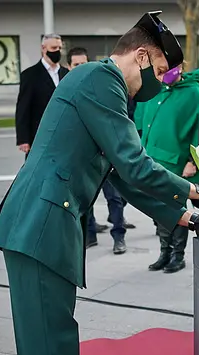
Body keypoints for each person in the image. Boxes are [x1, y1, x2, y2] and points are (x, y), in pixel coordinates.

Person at [0, 12, 199, 355]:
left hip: (41, 226)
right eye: (160, 71)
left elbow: (120, 175)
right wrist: (196, 190)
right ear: (142, 56)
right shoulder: (101, 79)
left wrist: (186, 217)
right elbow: (134, 164)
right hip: (39, 226)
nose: (158, 82)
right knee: (49, 351)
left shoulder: (99, 84)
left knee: (53, 348)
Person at [135, 62, 199, 272]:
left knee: (175, 208)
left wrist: (193, 161)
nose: (164, 73)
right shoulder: (153, 89)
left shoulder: (192, 94)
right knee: (159, 210)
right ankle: (164, 252)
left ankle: (178, 255)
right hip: (150, 159)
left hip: (176, 162)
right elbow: (140, 122)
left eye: (168, 68)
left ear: (180, 67)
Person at [64, 46, 130, 254]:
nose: (80, 67)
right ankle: (89, 235)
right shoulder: (67, 90)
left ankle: (119, 237)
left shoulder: (101, 85)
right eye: (76, 64)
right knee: (86, 198)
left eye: (83, 63)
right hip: (84, 157)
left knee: (115, 198)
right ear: (69, 66)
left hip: (107, 154)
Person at [15, 34, 69, 156]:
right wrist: (23, 139)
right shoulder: (30, 75)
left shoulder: (66, 73)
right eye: (54, 48)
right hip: (39, 134)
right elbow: (23, 107)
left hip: (64, 134)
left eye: (60, 48)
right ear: (43, 48)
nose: (57, 51)